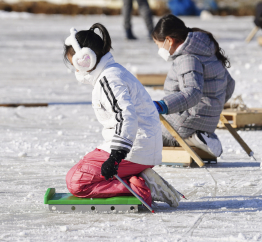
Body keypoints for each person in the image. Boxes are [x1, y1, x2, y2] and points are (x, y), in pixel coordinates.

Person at [63, 23, 181, 208]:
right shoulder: (111, 73)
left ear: (86, 59)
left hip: (134, 149)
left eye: (75, 63)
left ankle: (140, 187)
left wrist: (116, 156)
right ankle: (136, 176)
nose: (76, 69)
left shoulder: (108, 80)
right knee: (74, 174)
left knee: (77, 182)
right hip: (137, 145)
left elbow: (126, 117)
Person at [152, 14, 235, 157]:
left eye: (158, 44)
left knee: (143, 134)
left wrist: (162, 106)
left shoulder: (187, 58)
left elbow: (192, 92)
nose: (158, 49)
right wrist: (212, 107)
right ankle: (197, 137)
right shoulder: (206, 50)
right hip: (209, 121)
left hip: (185, 122)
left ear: (169, 41)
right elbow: (230, 84)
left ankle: (191, 138)